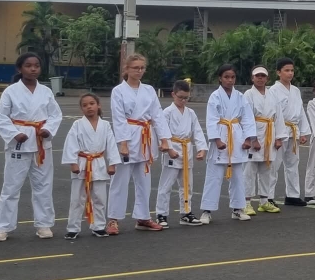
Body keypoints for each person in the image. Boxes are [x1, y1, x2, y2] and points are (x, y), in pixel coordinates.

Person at [0, 53, 63, 241]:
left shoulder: (46, 91)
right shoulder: (11, 91)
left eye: (36, 65)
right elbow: (1, 116)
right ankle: (2, 227)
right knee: (11, 186)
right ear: (20, 68)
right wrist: (14, 133)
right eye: (28, 65)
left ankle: (44, 224)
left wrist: (48, 129)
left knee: (43, 186)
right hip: (19, 143)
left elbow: (55, 115)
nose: (33, 69)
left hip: (41, 144)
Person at [109, 53, 173, 234]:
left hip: (145, 137)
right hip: (128, 135)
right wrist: (123, 143)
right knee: (120, 180)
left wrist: (164, 139)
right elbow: (118, 118)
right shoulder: (118, 91)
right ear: (127, 69)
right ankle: (113, 219)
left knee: (144, 180)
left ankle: (143, 217)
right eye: (135, 67)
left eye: (142, 68)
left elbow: (157, 115)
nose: (139, 71)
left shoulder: (149, 90)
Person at [200, 64, 258, 223]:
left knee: (238, 176)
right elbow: (211, 119)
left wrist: (248, 139)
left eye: (232, 77)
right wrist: (217, 140)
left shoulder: (240, 96)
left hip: (237, 136)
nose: (230, 80)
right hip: (220, 135)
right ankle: (207, 211)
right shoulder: (215, 96)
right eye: (226, 77)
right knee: (214, 176)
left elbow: (247, 118)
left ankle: (238, 209)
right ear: (220, 78)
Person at [62, 93, 122, 239]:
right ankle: (73, 227)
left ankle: (99, 226)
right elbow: (71, 143)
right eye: (85, 105)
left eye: (92, 103)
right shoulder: (77, 124)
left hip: (98, 162)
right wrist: (73, 163)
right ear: (81, 109)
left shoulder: (105, 125)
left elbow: (111, 144)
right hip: (82, 163)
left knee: (99, 198)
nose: (89, 107)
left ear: (98, 105)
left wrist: (112, 164)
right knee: (77, 198)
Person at [154, 80, 207, 227]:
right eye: (180, 97)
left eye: (186, 98)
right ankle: (161, 214)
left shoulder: (191, 113)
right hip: (173, 148)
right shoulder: (167, 112)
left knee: (187, 185)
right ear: (173, 94)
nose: (183, 101)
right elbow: (162, 132)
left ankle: (186, 212)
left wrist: (201, 149)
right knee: (166, 185)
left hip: (186, 149)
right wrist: (169, 149)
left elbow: (197, 131)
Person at [244, 66, 288, 215]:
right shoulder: (248, 94)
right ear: (252, 78)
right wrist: (253, 139)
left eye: (263, 76)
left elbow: (279, 117)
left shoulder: (272, 95)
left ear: (267, 79)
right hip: (256, 132)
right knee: (250, 170)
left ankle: (264, 201)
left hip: (270, 133)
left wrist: (279, 137)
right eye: (257, 76)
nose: (260, 78)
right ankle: (246, 202)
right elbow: (247, 117)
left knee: (267, 169)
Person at [268, 57, 310, 206]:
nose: (290, 73)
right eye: (286, 70)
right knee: (274, 164)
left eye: (292, 70)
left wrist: (303, 132)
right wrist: (277, 135)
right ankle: (268, 196)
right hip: (280, 130)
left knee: (293, 164)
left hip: (293, 129)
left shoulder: (296, 90)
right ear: (278, 72)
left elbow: (301, 112)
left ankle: (292, 195)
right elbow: (272, 113)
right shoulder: (273, 91)